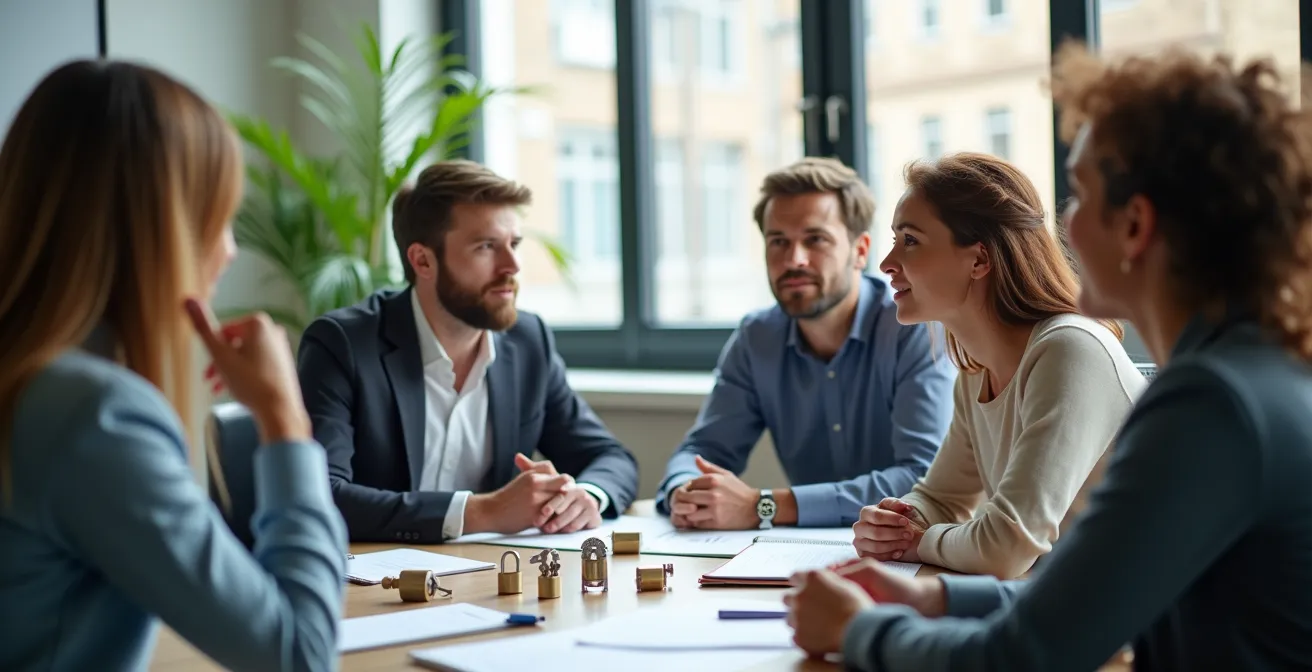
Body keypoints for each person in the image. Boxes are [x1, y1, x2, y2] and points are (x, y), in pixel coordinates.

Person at [785, 43, 1312, 670]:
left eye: (1078, 194)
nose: (1061, 223)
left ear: (1135, 226)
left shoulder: (1210, 404)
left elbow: (1027, 654)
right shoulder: (1237, 378)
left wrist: (856, 631)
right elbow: (1090, 600)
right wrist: (932, 597)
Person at [0, 61, 346, 670]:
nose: (230, 250)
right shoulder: (93, 416)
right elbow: (300, 656)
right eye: (217, 218)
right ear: (159, 230)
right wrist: (284, 418)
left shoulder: (32, 385)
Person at [298, 160, 639, 544]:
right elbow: (321, 495)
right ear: (423, 260)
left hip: (487, 580)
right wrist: (485, 511)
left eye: (514, 244)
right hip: (373, 587)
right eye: (486, 247)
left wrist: (585, 497)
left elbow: (612, 459)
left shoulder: (528, 341)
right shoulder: (342, 345)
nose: (512, 266)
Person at [849, 151, 1145, 579]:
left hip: (1126, 631)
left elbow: (1008, 546)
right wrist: (897, 520)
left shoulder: (1070, 350)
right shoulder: (975, 373)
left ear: (980, 260)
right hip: (1055, 606)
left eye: (910, 240)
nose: (887, 264)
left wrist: (918, 541)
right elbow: (941, 498)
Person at [655, 157, 957, 530]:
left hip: (908, 551)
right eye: (778, 241)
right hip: (797, 558)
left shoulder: (914, 328)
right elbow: (702, 451)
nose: (794, 260)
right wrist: (686, 492)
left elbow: (922, 479)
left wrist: (763, 506)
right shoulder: (757, 338)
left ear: (860, 251)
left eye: (815, 240)